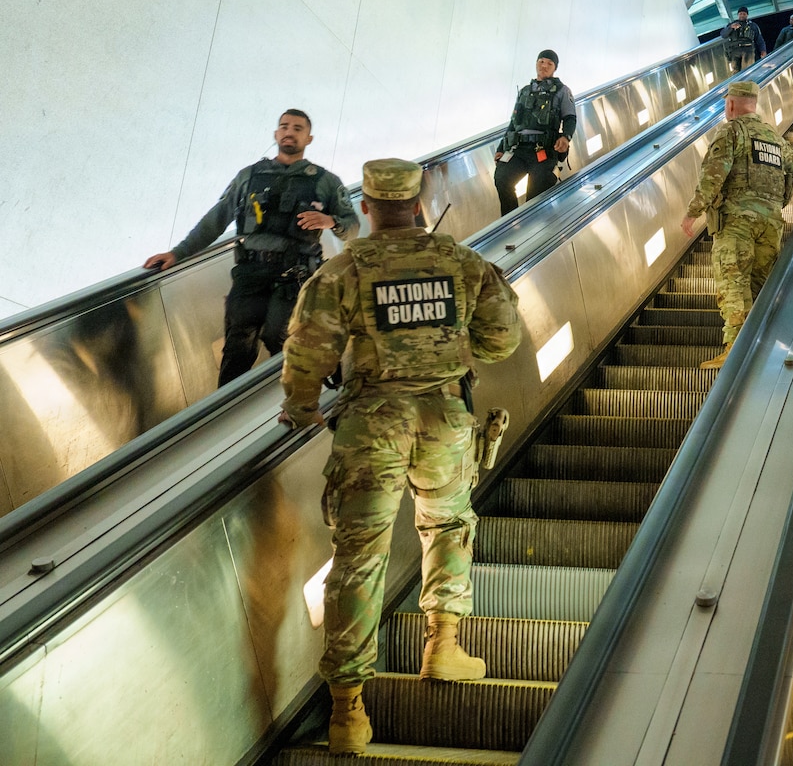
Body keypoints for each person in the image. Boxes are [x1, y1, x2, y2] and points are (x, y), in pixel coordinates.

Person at [279, 158, 522, 756]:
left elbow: (309, 350)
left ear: (365, 205)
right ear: (419, 201)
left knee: (360, 557)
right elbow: (501, 340)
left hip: (371, 425)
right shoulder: (464, 264)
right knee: (447, 527)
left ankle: (348, 713)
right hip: (445, 419)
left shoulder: (345, 269)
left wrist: (305, 408)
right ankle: (443, 648)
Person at [144, 109, 359, 387]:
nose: (289, 132)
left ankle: (301, 404)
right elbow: (216, 218)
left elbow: (352, 226)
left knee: (280, 338)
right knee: (237, 346)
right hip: (249, 272)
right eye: (284, 127)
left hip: (295, 275)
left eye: (297, 128)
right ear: (276, 134)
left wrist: (331, 221)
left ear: (309, 138)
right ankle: (224, 415)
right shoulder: (249, 176)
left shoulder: (325, 181)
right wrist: (178, 252)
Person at [680, 80, 793, 369]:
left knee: (734, 283)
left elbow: (714, 174)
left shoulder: (731, 131)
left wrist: (694, 211)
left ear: (730, 104)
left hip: (736, 224)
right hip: (771, 226)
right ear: (754, 104)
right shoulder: (774, 138)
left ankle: (735, 350)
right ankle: (761, 350)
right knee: (760, 287)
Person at [494, 49, 577, 216]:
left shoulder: (562, 91)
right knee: (502, 177)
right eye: (541, 61)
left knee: (537, 192)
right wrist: (501, 148)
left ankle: (530, 228)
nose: (544, 66)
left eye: (549, 63)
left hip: (543, 150)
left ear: (555, 68)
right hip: (519, 149)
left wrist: (566, 137)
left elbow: (570, 118)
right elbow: (513, 123)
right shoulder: (524, 91)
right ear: (536, 63)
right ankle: (510, 222)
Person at [720, 6, 766, 71]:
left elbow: (759, 39)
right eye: (740, 14)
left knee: (747, 70)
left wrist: (763, 50)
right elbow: (723, 35)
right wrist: (731, 27)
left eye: (744, 14)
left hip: (748, 49)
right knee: (735, 71)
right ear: (738, 15)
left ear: (747, 15)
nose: (742, 15)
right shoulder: (732, 24)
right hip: (734, 50)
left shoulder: (752, 25)